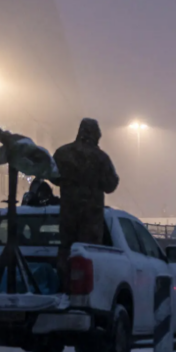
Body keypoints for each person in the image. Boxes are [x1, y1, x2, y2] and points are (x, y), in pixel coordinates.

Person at [52, 118, 119, 291]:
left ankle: (63, 287)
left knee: (66, 251)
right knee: (89, 256)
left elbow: (53, 176)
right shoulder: (101, 158)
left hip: (67, 216)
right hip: (91, 220)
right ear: (96, 135)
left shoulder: (62, 154)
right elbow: (111, 185)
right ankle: (85, 293)